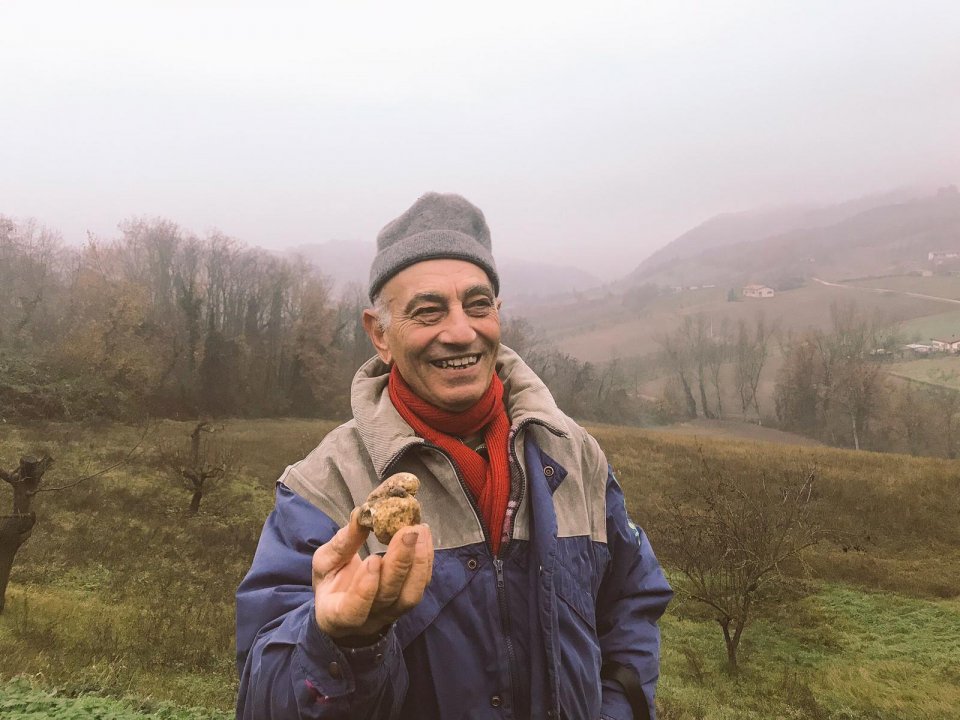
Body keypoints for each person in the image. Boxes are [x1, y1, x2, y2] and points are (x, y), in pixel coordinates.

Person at [236, 192, 672, 719]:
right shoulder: (323, 487)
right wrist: (338, 641)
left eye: (478, 304)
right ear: (380, 333)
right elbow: (265, 699)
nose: (461, 331)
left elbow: (632, 602)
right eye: (428, 311)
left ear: (498, 313)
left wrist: (617, 710)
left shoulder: (574, 454)